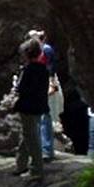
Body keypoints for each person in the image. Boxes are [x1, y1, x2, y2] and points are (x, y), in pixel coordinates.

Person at [12, 39, 50, 181]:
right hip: (39, 106)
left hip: (28, 106)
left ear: (26, 54)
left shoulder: (28, 69)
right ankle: (21, 164)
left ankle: (36, 170)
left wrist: (17, 86)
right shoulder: (43, 69)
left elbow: (23, 89)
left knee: (31, 137)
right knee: (28, 134)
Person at [28, 29, 61, 161]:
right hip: (41, 83)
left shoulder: (45, 50)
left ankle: (46, 150)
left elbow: (51, 67)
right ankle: (44, 149)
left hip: (45, 83)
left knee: (44, 116)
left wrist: (51, 83)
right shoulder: (39, 51)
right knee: (42, 116)